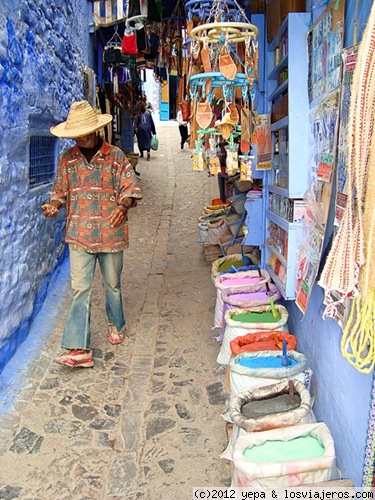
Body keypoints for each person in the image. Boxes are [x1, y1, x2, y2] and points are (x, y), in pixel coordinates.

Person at [42, 100, 142, 368]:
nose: (79, 137)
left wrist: (123, 205)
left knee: (112, 285)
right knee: (80, 290)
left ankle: (116, 322)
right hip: (78, 235)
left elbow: (130, 188)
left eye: (83, 131)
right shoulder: (67, 160)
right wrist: (53, 206)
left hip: (110, 235)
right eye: (75, 133)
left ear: (96, 130)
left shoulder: (117, 157)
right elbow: (59, 192)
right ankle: (79, 348)